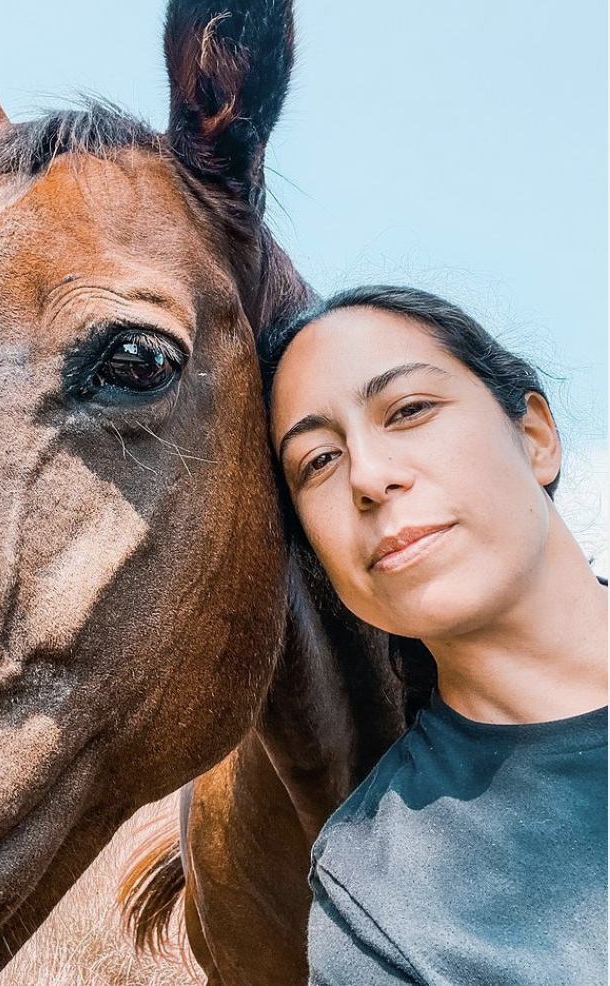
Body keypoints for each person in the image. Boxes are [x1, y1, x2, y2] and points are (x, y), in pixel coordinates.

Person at [258, 285, 608, 986]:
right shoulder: (376, 906)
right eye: (318, 462)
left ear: (535, 437)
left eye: (409, 410)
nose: (369, 476)